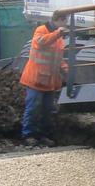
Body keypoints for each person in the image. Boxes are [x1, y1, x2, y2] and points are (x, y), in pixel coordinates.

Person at [20, 11, 69, 143]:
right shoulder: (41, 30)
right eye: (65, 21)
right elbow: (41, 42)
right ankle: (29, 135)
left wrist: (66, 70)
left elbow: (59, 57)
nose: (66, 24)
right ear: (58, 20)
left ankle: (44, 135)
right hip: (36, 79)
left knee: (48, 110)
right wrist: (58, 33)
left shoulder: (59, 37)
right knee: (33, 107)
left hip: (49, 81)